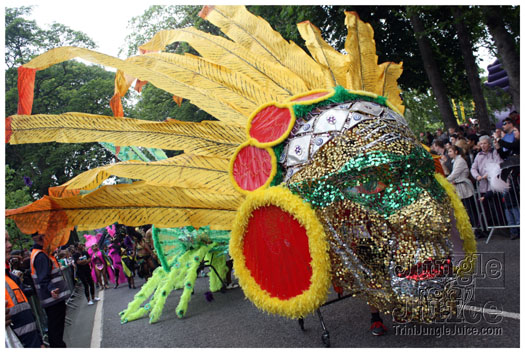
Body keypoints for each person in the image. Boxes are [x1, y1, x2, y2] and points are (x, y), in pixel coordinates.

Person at [30, 231, 71, 347]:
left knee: (56, 333)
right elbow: (43, 279)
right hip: (53, 300)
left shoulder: (41, 254)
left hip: (52, 300)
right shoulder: (41, 256)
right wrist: (52, 289)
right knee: (56, 335)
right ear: (39, 238)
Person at [5, 230, 43, 348]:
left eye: (9, 240)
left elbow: (28, 313)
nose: (9, 245)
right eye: (4, 241)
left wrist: (40, 342)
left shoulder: (12, 279)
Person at [446, 145, 477, 228]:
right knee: (466, 210)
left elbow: (455, 174)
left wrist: (444, 181)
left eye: (450, 151)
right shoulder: (455, 161)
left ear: (456, 152)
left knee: (469, 210)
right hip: (459, 188)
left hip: (465, 188)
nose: (449, 154)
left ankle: (476, 227)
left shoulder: (460, 161)